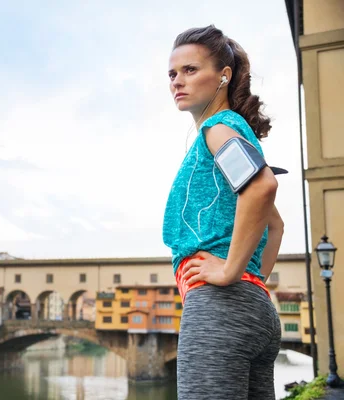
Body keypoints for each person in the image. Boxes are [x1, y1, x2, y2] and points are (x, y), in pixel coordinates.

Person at [162, 25, 285, 399]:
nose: (177, 81)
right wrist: (250, 282)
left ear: (223, 76)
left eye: (190, 70)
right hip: (252, 309)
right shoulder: (234, 132)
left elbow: (263, 187)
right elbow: (275, 225)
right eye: (172, 73)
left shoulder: (218, 129)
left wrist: (230, 271)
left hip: (219, 309)